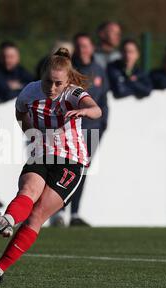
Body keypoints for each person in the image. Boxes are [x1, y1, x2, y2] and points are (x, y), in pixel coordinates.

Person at [0, 48, 102, 286]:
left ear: (67, 81)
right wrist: (30, 131)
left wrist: (85, 111)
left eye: (58, 83)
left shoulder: (73, 93)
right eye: (48, 81)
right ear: (42, 74)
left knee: (36, 216)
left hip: (71, 162)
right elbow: (20, 112)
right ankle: (7, 220)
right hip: (42, 154)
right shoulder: (30, 90)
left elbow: (97, 110)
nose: (52, 88)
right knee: (27, 192)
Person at [52, 33, 109, 227]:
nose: (83, 49)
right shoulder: (68, 69)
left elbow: (103, 102)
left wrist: (103, 125)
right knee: (62, 169)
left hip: (92, 130)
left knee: (82, 171)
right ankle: (58, 212)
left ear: (92, 47)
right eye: (79, 46)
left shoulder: (99, 70)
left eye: (86, 45)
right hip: (69, 129)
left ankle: (75, 213)